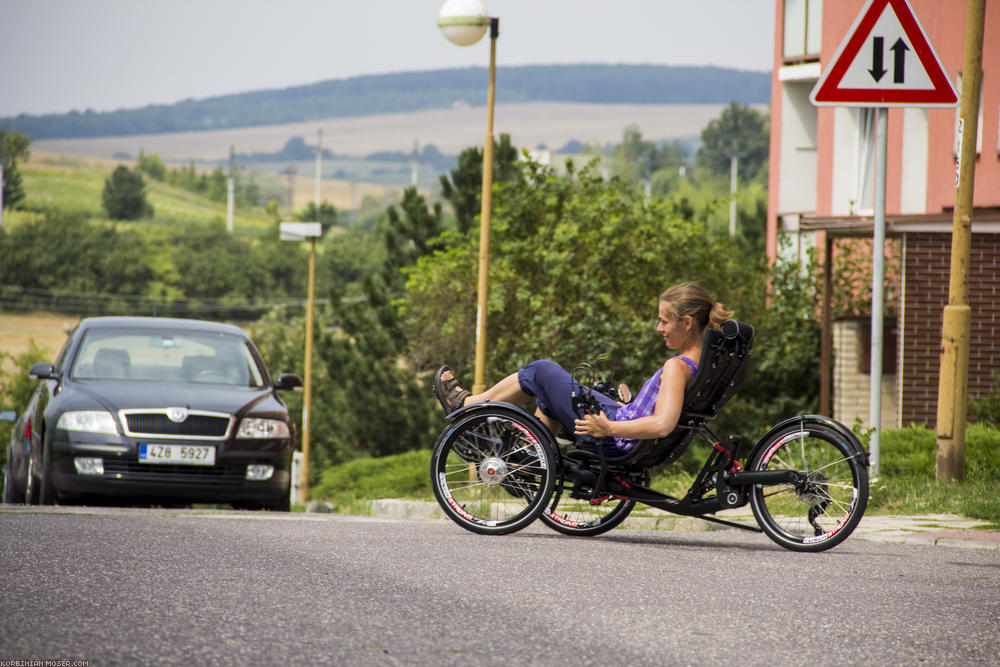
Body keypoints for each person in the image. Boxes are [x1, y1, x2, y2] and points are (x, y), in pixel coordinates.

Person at [433, 282, 733, 457]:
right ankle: (526, 462)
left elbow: (662, 425)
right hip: (620, 420)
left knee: (541, 370)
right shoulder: (700, 363)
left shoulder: (677, 366)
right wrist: (621, 406)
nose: (659, 328)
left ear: (687, 323)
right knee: (551, 391)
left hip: (614, 435)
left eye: (664, 322)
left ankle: (468, 406)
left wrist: (609, 427)